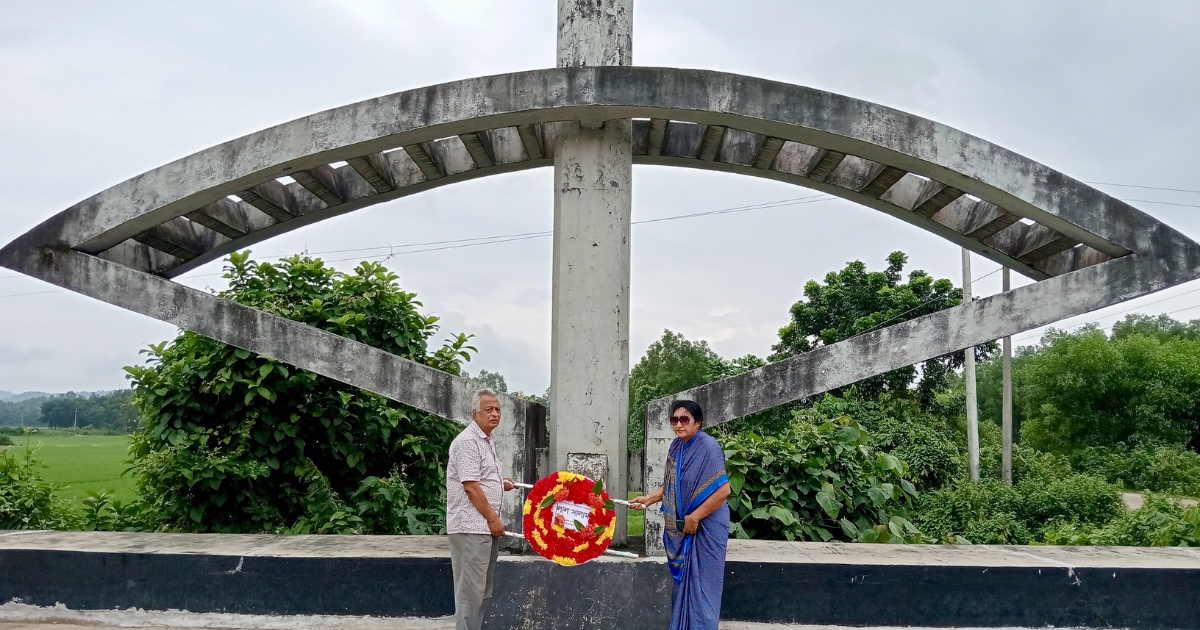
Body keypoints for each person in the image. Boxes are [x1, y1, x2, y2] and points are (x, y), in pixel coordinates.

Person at [631, 400, 731, 630]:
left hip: (707, 525)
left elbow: (723, 490)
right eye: (674, 420)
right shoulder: (676, 447)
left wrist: (695, 517)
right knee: (684, 586)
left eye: (684, 419)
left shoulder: (709, 447)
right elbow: (671, 485)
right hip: (685, 524)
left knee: (704, 585)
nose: (678, 424)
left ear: (697, 422)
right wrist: (648, 499)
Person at [446, 388, 515, 630]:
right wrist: (494, 519)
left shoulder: (486, 441)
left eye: (498, 409)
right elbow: (471, 487)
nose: (495, 414)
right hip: (471, 528)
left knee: (483, 591)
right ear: (476, 414)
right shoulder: (467, 442)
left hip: (483, 529)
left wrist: (500, 482)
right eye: (489, 410)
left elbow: (480, 478)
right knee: (470, 594)